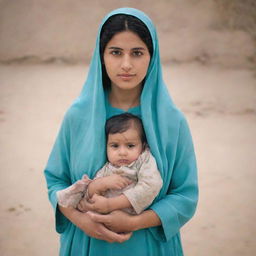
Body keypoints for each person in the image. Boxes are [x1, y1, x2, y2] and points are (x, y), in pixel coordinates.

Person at [44, 7, 198, 256]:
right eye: (115, 52)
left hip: (149, 246)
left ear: (152, 56)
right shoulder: (78, 115)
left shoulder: (171, 122)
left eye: (137, 53)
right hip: (86, 245)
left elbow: (185, 195)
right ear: (101, 55)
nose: (126, 65)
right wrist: (83, 221)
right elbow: (55, 180)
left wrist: (134, 222)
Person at [57, 113, 163, 215]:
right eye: (115, 146)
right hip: (100, 221)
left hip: (130, 218)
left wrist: (111, 204)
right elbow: (89, 195)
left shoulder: (143, 160)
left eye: (130, 146)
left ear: (143, 146)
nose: (122, 153)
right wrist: (102, 183)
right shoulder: (107, 168)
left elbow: (151, 185)